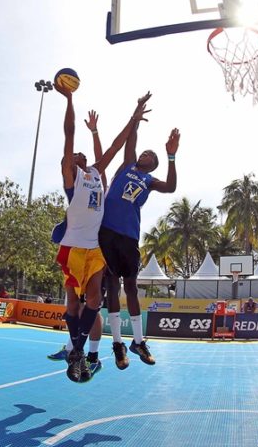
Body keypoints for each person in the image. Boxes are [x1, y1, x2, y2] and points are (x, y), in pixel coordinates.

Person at [53, 82, 149, 383]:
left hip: (95, 249)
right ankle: (78, 350)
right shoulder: (72, 179)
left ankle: (81, 351)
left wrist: (134, 117)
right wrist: (69, 100)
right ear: (70, 165)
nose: (77, 155)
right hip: (72, 247)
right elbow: (69, 134)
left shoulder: (95, 171)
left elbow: (116, 146)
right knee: (72, 304)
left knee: (94, 300)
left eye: (80, 155)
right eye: (73, 157)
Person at [100, 94, 180, 370]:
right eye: (145, 152)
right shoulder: (126, 166)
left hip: (129, 235)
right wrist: (136, 114)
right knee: (112, 284)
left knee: (131, 286)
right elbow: (131, 140)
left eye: (150, 155)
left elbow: (171, 186)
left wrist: (170, 155)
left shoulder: (150, 180)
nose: (145, 154)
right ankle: (118, 344)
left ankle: (138, 341)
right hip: (107, 230)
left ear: (153, 164)